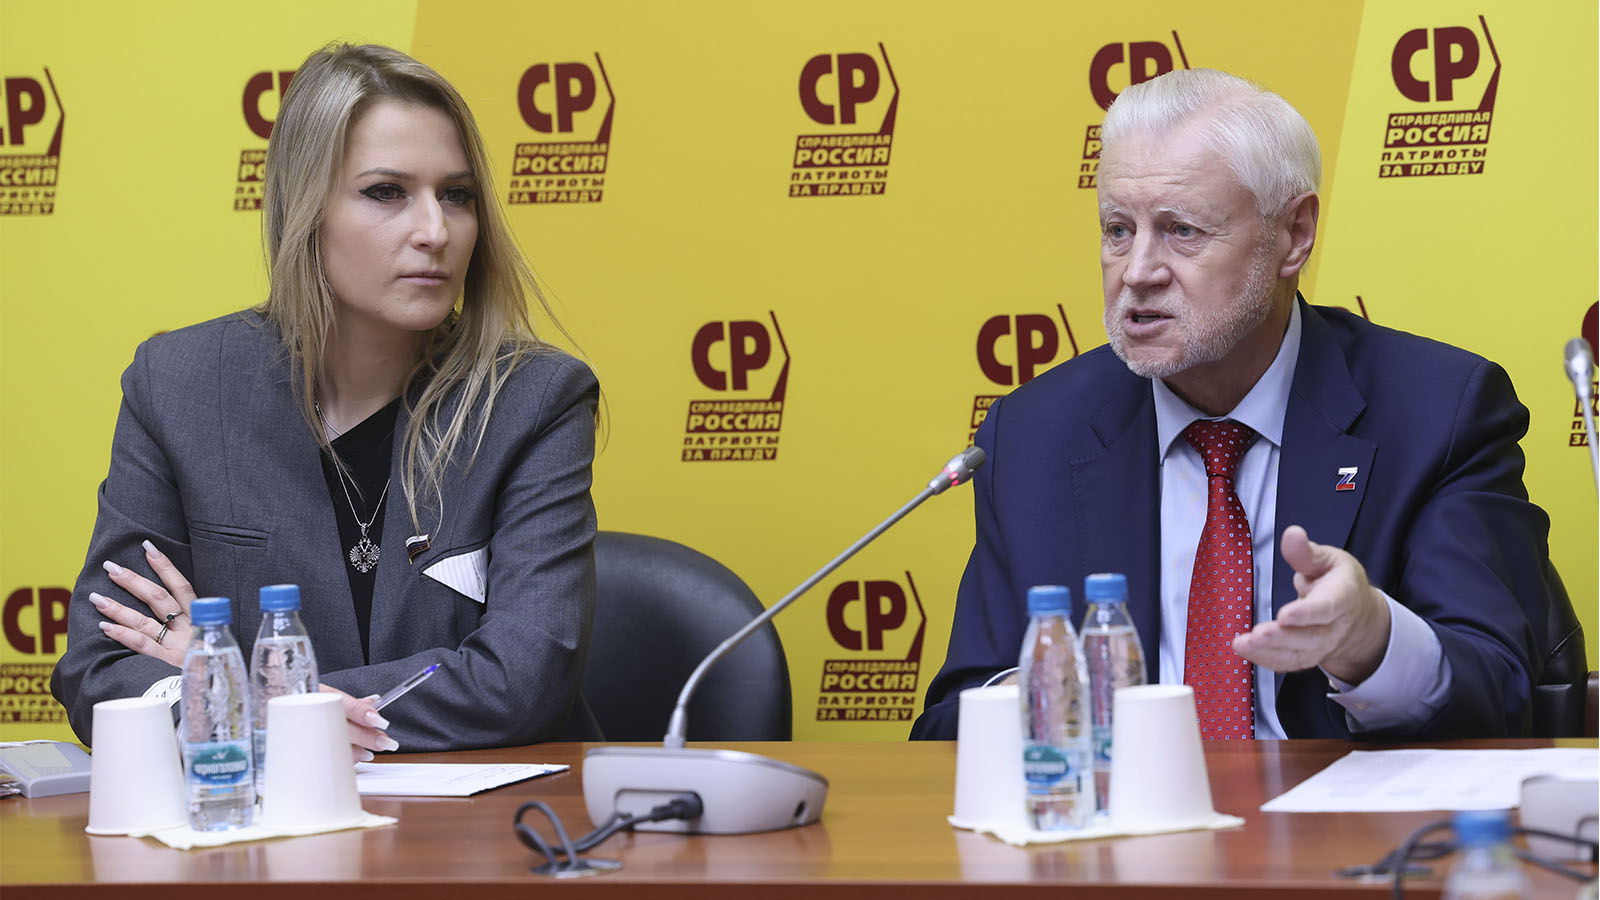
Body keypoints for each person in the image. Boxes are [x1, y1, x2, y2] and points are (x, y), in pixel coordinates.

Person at [912, 68, 1552, 741]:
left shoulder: (1436, 414)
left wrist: (1373, 641)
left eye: (1182, 231)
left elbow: (1500, 691)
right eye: (1118, 230)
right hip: (1123, 804)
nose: (1137, 271)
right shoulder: (1033, 435)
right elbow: (949, 723)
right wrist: (1029, 703)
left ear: (1294, 234)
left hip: (1341, 806)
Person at [50, 43, 601, 756]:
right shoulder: (177, 385)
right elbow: (100, 668)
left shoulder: (534, 398)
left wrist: (255, 698)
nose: (435, 231)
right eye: (386, 192)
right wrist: (256, 709)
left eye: (457, 195)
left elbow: (522, 680)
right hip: (257, 815)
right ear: (304, 208)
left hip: (489, 815)